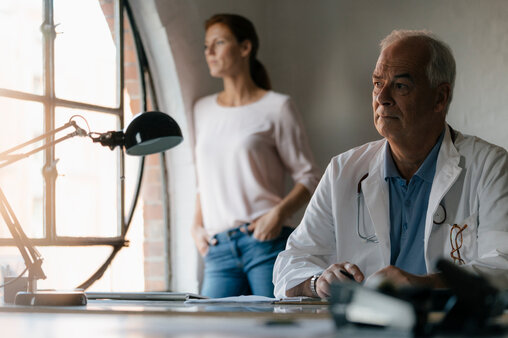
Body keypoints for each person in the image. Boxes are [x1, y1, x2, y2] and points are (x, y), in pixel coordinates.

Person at [273, 29, 508, 299]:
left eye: (400, 86)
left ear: (440, 98)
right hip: (365, 330)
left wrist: (425, 284)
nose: (382, 98)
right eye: (376, 83)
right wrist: (318, 282)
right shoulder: (343, 171)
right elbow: (290, 263)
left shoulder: (490, 166)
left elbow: (503, 267)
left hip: (450, 331)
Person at [192, 14, 320, 298]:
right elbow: (206, 180)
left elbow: (309, 177)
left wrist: (277, 215)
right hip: (218, 249)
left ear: (245, 47)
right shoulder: (201, 110)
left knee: (274, 330)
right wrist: (195, 227)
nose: (209, 52)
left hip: (265, 242)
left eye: (219, 43)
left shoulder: (277, 107)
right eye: (206, 46)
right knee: (210, 332)